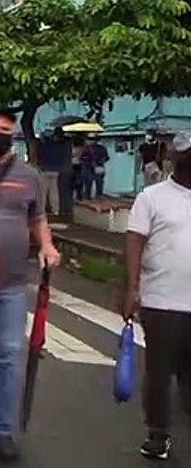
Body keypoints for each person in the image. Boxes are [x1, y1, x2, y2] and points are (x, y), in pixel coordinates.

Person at [0, 108, 60, 462]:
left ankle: (0, 430)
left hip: (11, 283)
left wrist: (47, 246)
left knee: (6, 359)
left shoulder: (28, 175)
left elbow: (38, 217)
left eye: (6, 128)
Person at [122, 131, 191, 460]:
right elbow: (135, 240)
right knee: (160, 373)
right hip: (162, 301)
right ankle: (158, 433)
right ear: (175, 159)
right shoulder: (152, 197)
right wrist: (132, 288)